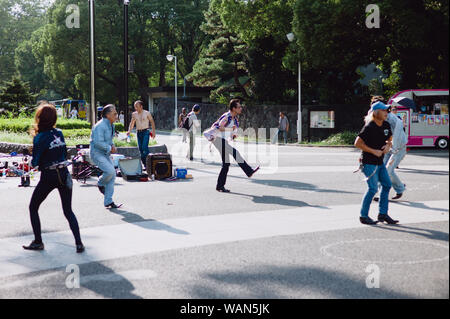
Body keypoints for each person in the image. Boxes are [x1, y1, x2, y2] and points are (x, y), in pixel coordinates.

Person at [23, 104, 84, 253]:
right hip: (64, 173)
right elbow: (64, 153)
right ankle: (79, 243)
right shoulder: (59, 133)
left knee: (33, 207)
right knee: (68, 211)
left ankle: (38, 241)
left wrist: (32, 156)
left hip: (49, 176)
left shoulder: (40, 137)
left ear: (40, 118)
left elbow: (35, 162)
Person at [354, 101, 399, 225]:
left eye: (387, 110)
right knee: (373, 188)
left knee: (386, 185)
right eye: (384, 110)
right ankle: (363, 216)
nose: (387, 113)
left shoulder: (386, 125)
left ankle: (382, 214)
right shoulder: (370, 126)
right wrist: (374, 151)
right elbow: (357, 143)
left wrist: (388, 145)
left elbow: (389, 138)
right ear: (376, 112)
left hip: (379, 162)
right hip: (368, 163)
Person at [204, 99, 260, 192]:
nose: (241, 108)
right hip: (217, 140)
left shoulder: (234, 119)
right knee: (235, 152)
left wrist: (233, 135)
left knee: (226, 164)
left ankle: (220, 186)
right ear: (233, 108)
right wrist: (230, 130)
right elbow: (220, 127)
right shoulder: (227, 116)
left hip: (222, 140)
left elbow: (229, 130)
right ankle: (249, 171)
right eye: (239, 107)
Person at [90, 104, 122, 209]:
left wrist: (112, 145)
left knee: (112, 176)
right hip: (97, 153)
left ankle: (108, 201)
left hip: (105, 153)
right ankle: (100, 183)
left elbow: (109, 140)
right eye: (115, 113)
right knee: (111, 172)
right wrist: (110, 148)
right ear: (108, 115)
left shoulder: (111, 125)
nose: (117, 115)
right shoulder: (100, 126)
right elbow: (98, 142)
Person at [127, 100, 156, 167]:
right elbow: (132, 123)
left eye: (137, 106)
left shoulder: (147, 113)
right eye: (135, 107)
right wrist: (129, 131)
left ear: (141, 106)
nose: (135, 108)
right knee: (140, 149)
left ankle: (148, 162)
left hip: (146, 132)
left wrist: (153, 132)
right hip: (138, 132)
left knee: (144, 147)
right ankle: (145, 163)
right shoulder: (134, 114)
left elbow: (152, 122)